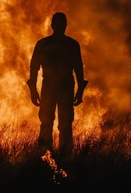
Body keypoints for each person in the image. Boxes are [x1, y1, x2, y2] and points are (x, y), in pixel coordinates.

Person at [27, 12, 87, 163]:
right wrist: (33, 89)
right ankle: (46, 157)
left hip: (64, 86)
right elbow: (34, 67)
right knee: (48, 122)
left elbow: (79, 68)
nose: (60, 26)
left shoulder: (62, 44)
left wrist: (80, 89)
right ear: (53, 25)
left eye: (62, 24)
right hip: (52, 87)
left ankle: (64, 158)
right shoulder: (51, 44)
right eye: (59, 24)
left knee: (64, 124)